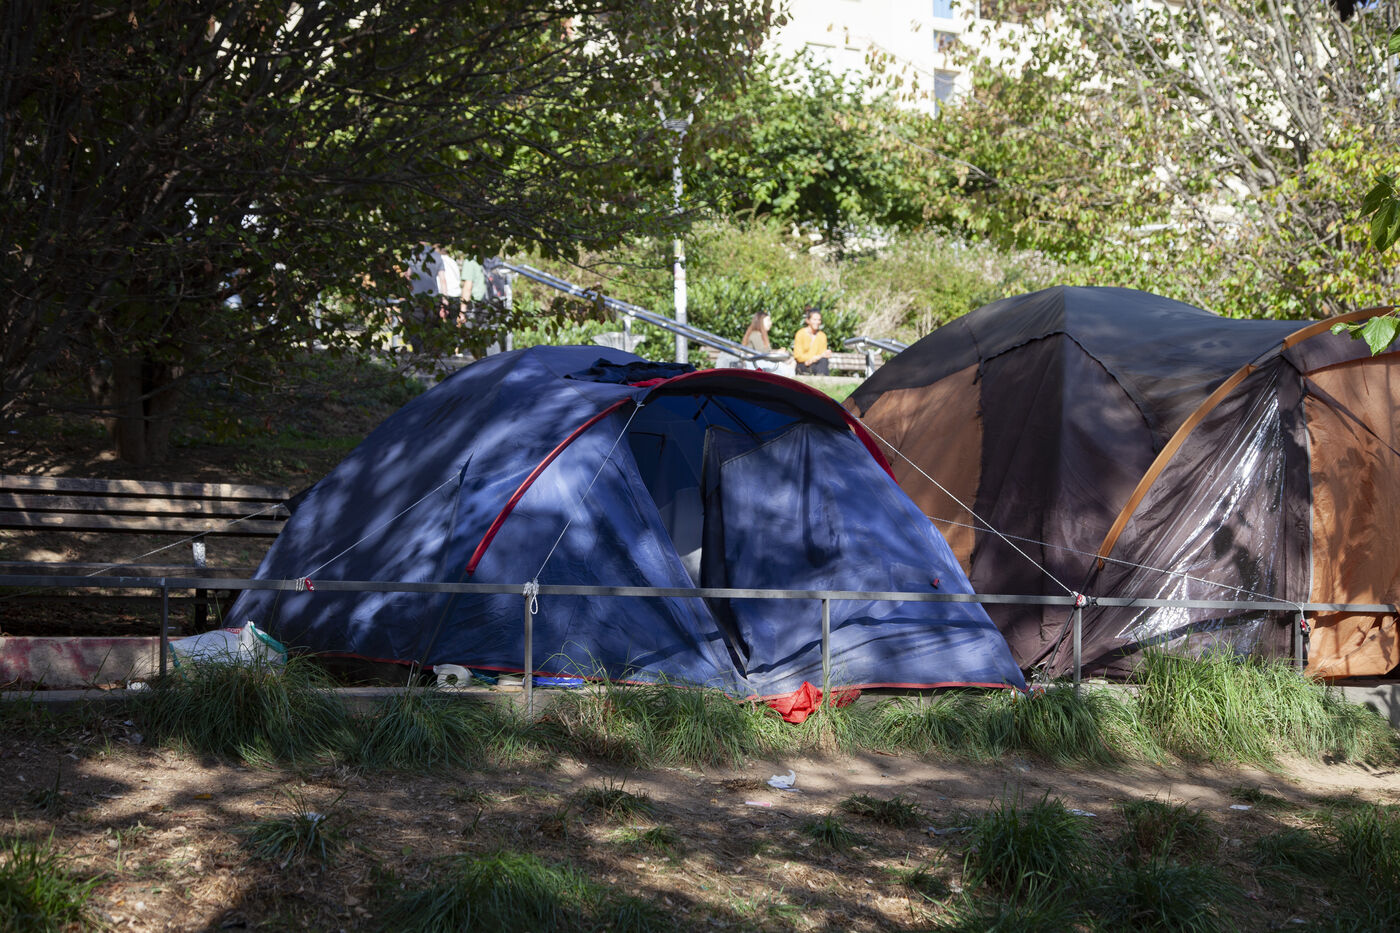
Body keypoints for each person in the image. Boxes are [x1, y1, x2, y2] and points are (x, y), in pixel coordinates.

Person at [793, 306, 832, 375]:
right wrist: (814, 358)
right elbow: (798, 356)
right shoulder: (800, 334)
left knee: (823, 361)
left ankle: (822, 378)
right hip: (803, 365)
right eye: (814, 319)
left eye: (819, 320)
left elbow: (822, 355)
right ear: (808, 320)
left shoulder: (822, 335)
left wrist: (811, 360)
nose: (817, 322)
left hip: (816, 364)